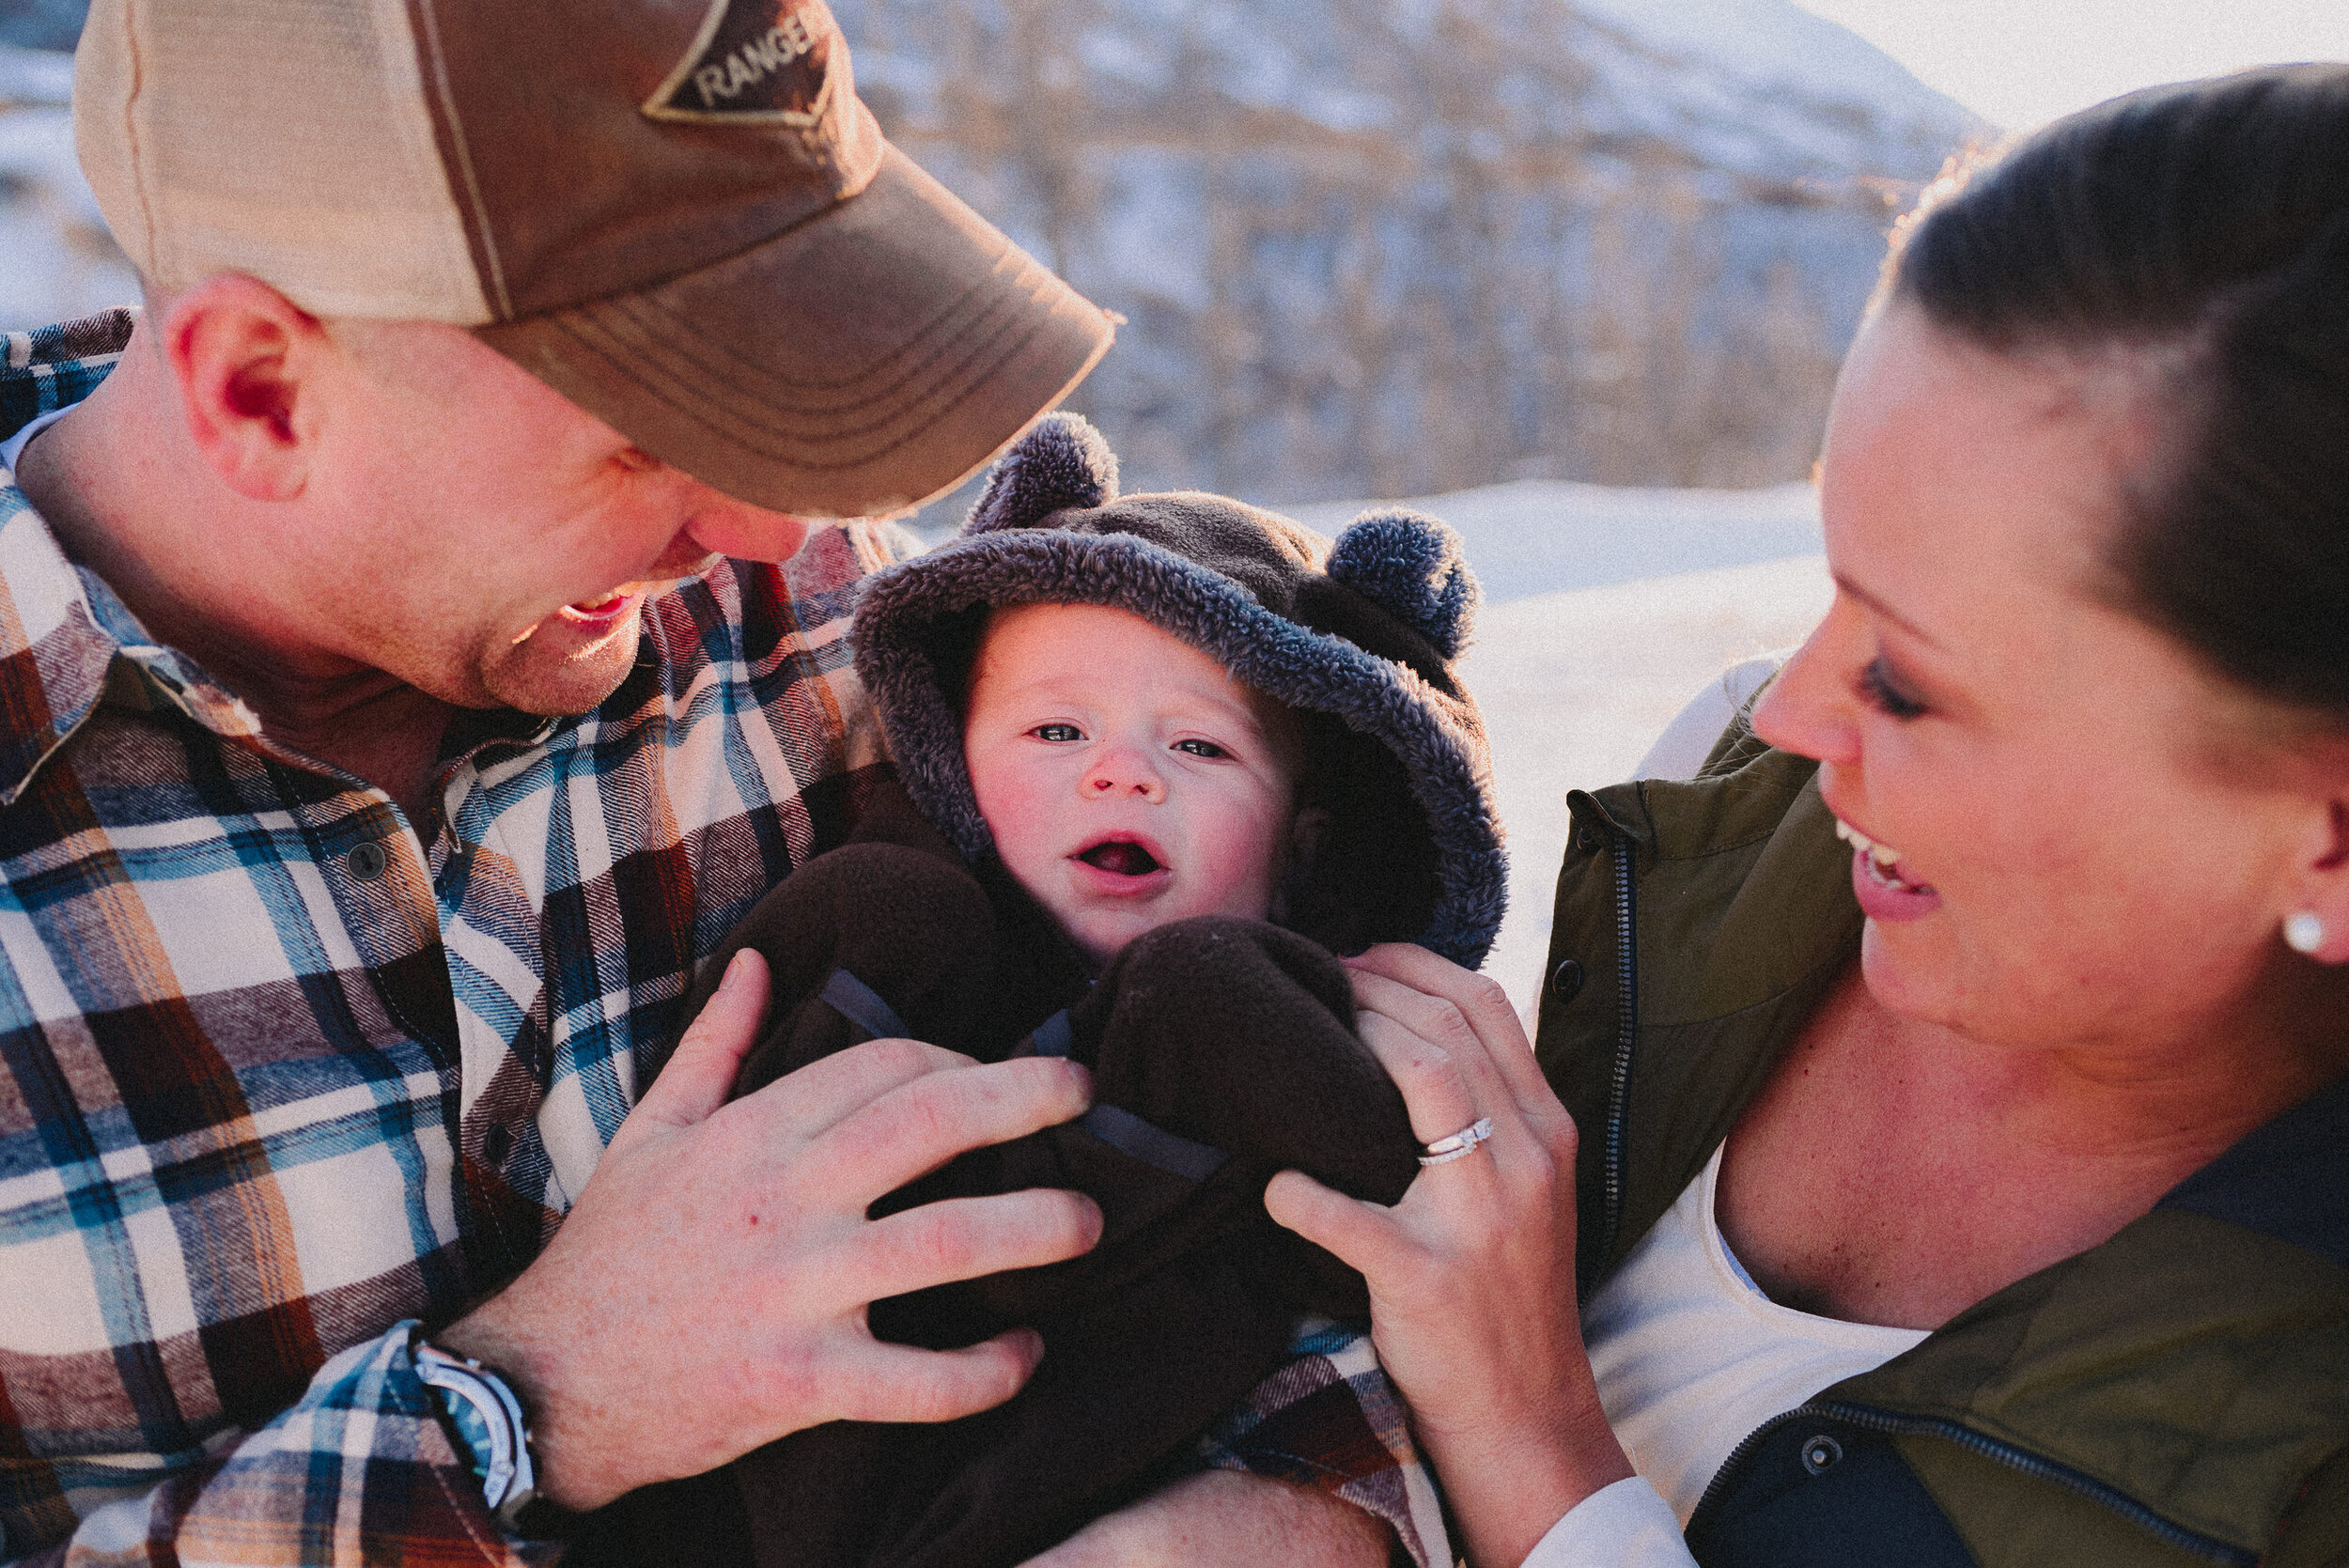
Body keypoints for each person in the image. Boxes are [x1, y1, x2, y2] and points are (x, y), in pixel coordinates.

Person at [0, 2, 1417, 1562]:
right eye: (655, 422)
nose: (764, 518)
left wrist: (1276, 1512)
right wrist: (536, 1399)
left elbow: (1254, 1191)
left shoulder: (821, 645)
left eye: (773, 371)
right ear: (263, 392)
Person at [1262, 66, 2349, 1567]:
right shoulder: (1728, 806)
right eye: (1825, 583)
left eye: (1905, 677)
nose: (1784, 711)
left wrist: (1538, 1449)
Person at [653, 411, 1497, 1568]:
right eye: (1056, 729)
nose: (1119, 770)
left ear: (1303, 852)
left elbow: (1398, 1290)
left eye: (1199, 749)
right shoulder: (881, 933)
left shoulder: (1294, 1042)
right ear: (953, 763)